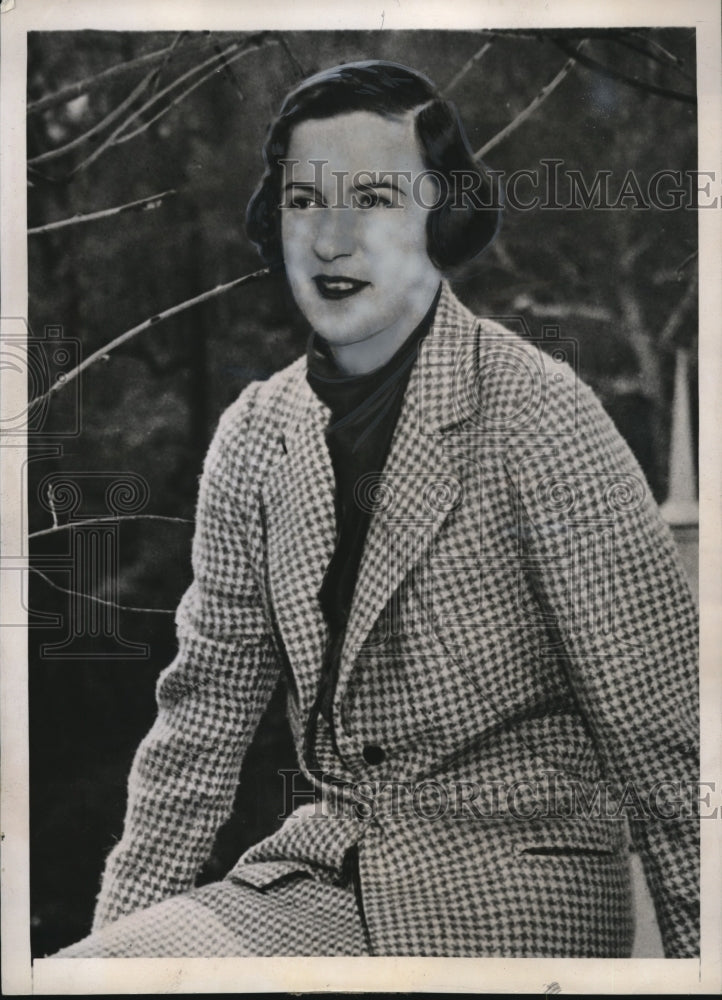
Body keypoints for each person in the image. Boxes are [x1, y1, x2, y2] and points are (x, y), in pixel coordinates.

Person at [55, 60, 698, 959]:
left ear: (440, 213)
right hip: (321, 874)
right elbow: (198, 727)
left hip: (518, 891)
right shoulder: (255, 435)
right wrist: (103, 964)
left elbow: (670, 739)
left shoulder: (539, 412)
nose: (331, 239)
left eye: (376, 198)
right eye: (305, 200)